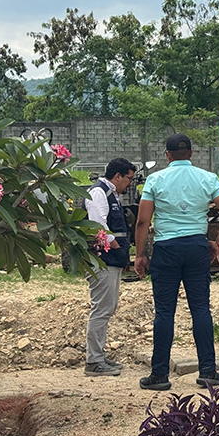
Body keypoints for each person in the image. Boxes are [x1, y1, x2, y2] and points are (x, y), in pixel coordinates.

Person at [134, 134, 219, 391]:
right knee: (201, 309)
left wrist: (139, 254)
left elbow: (143, 221)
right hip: (196, 247)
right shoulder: (208, 178)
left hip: (166, 248)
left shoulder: (155, 180)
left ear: (167, 155)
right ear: (191, 153)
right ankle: (208, 372)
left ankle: (159, 374)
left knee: (165, 312)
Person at [83, 158, 136, 377]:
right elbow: (98, 225)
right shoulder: (99, 193)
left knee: (108, 307)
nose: (130, 184)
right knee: (102, 308)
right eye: (129, 179)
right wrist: (115, 247)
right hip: (103, 259)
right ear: (118, 176)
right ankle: (94, 361)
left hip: (112, 260)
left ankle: (99, 357)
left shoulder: (111, 194)